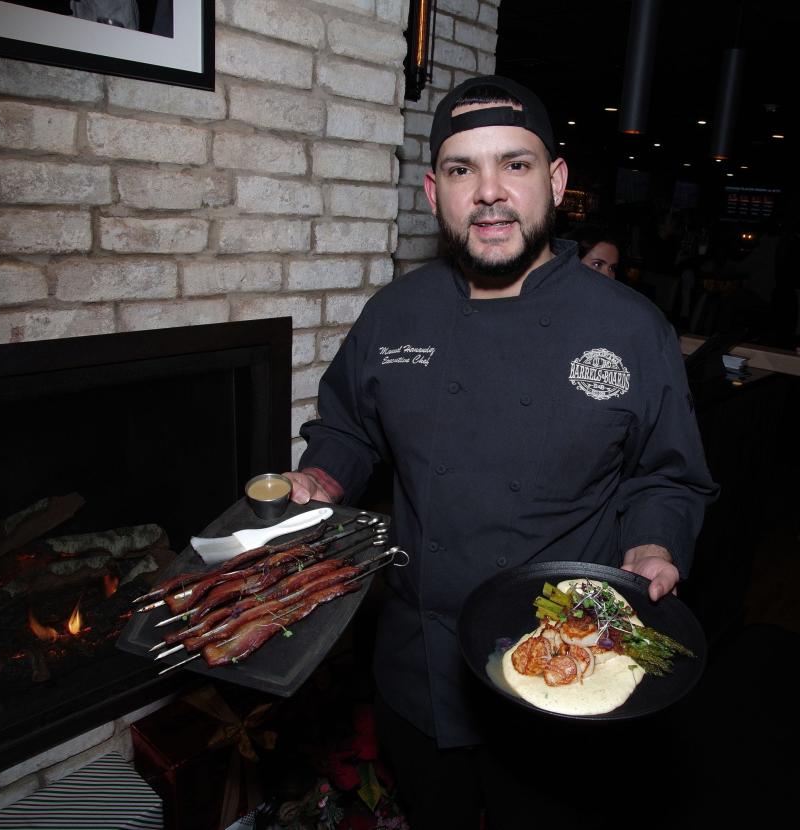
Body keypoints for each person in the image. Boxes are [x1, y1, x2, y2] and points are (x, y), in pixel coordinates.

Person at [284, 75, 717, 829]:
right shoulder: (394, 313)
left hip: (564, 668)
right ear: (432, 192)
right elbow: (347, 428)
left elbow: (665, 474)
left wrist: (653, 543)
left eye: (514, 165)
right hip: (418, 667)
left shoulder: (631, 327)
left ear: (554, 181)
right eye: (462, 170)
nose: (489, 192)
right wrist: (325, 476)